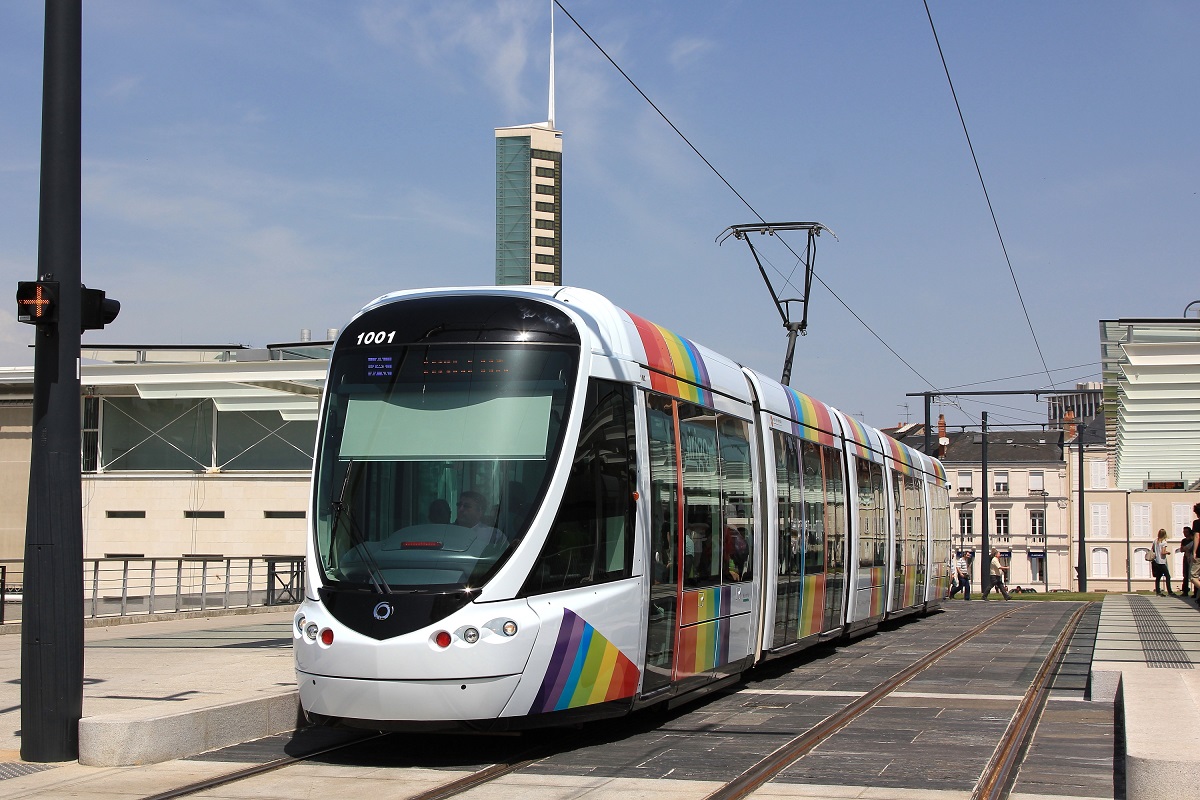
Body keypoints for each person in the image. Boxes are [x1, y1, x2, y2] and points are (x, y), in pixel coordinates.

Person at [1151, 528, 1175, 596]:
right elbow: (1163, 552)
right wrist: (1168, 552)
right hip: (1162, 562)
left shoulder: (1155, 541)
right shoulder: (1164, 542)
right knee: (1168, 576)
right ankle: (1169, 591)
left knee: (1158, 577)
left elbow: (1153, 549)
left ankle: (1158, 591)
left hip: (1156, 561)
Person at [1178, 527, 1195, 597]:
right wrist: (1185, 548)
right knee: (1185, 575)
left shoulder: (1193, 540)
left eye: (1186, 532)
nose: (1185, 533)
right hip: (1186, 558)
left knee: (1194, 575)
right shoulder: (1183, 540)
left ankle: (1195, 592)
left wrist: (1186, 548)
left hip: (1192, 558)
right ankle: (1185, 591)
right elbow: (1182, 549)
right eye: (1184, 532)